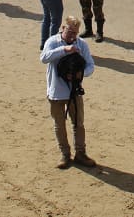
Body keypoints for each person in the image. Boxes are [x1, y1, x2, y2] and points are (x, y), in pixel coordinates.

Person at [41, 16, 97, 169]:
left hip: (74, 92)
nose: (72, 36)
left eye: (75, 33)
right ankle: (65, 154)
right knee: (59, 125)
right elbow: (44, 58)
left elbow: (91, 65)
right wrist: (64, 50)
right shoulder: (53, 42)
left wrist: (81, 74)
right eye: (70, 31)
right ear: (63, 28)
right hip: (56, 92)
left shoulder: (82, 44)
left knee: (78, 123)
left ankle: (80, 153)